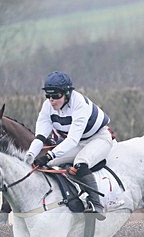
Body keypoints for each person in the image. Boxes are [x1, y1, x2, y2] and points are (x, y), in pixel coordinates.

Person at [25, 71, 112, 218]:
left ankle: (97, 205)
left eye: (56, 96)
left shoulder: (79, 104)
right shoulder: (47, 106)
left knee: (80, 163)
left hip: (99, 138)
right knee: (46, 164)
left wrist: (49, 155)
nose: (51, 100)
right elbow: (40, 136)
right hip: (78, 142)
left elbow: (72, 140)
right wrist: (30, 155)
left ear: (67, 94)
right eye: (48, 96)